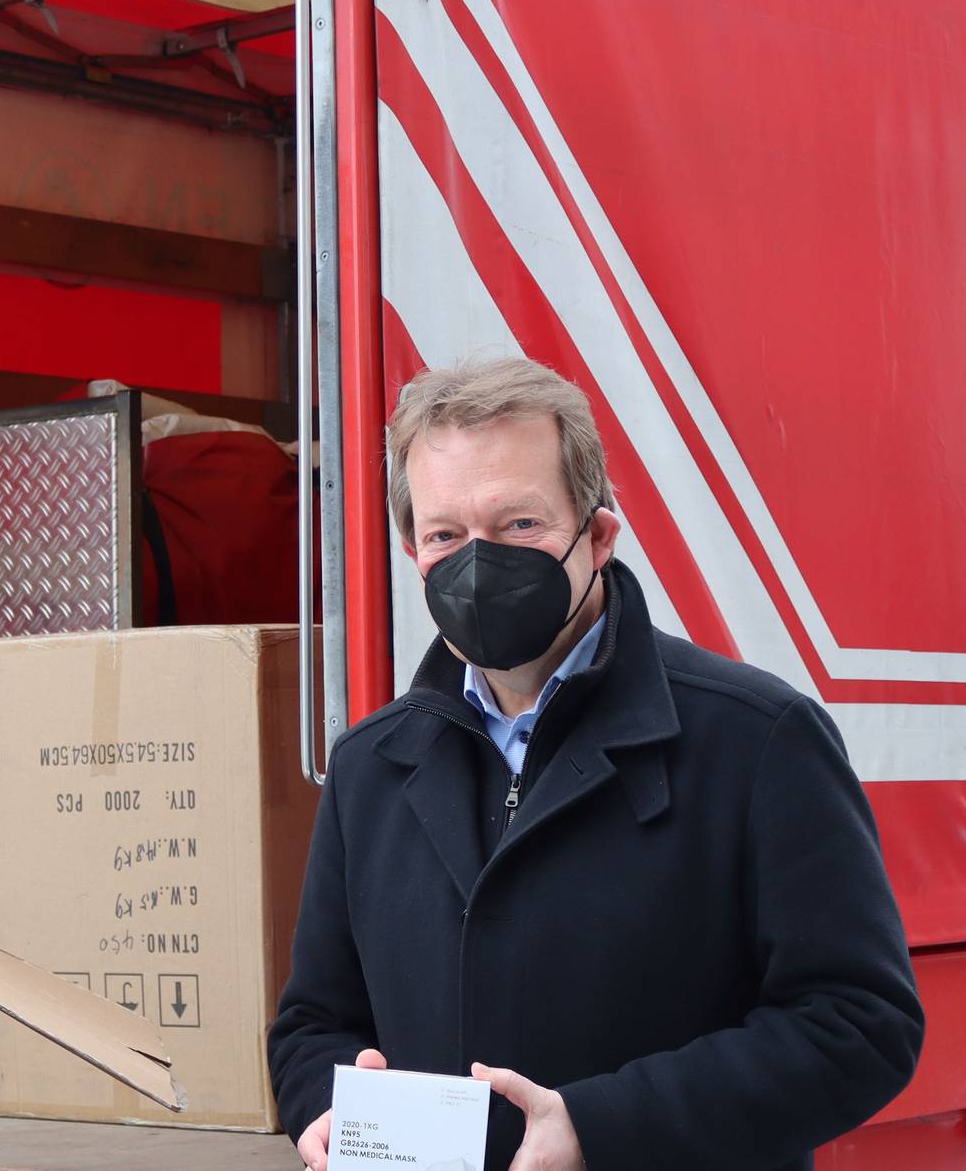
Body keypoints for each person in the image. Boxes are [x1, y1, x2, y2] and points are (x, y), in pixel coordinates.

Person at [267, 358, 924, 1171]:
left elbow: (860, 1024)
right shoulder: (371, 767)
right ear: (414, 553)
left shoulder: (757, 741)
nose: (479, 564)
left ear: (600, 535)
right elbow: (313, 1023)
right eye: (446, 535)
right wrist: (324, 1107)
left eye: (519, 526)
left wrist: (600, 1128)